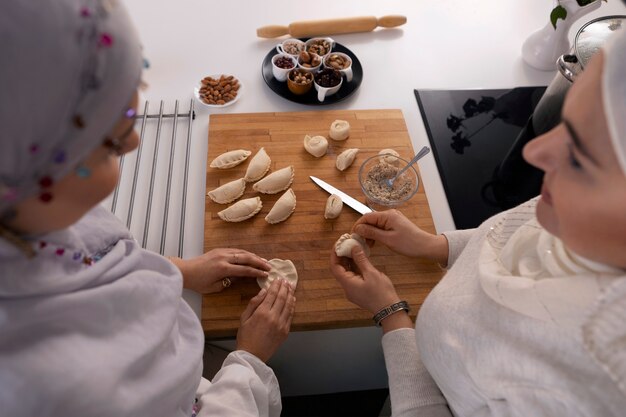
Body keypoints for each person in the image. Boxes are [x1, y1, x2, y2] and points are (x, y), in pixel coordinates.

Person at [0, 2, 295, 416]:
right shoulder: (65, 389)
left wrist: (182, 271)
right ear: (27, 175)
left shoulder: (33, 213)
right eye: (110, 143)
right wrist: (248, 361)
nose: (135, 143)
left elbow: (94, 258)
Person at [330, 30, 626, 416]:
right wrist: (435, 246)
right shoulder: (586, 213)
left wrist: (390, 314)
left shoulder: (587, 388)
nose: (535, 151)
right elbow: (516, 230)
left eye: (581, 157)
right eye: (567, 124)